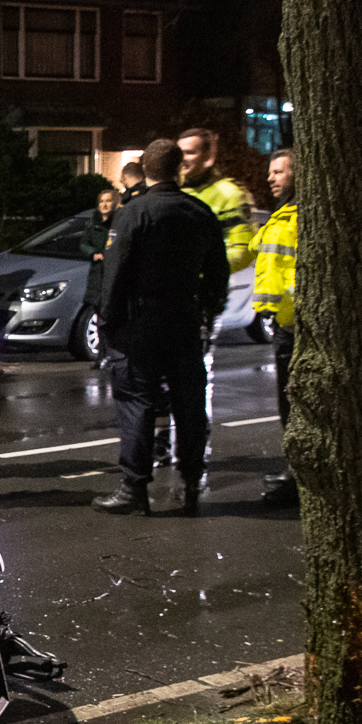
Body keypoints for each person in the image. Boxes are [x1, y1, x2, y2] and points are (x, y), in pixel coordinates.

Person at [91, 139, 230, 516]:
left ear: (147, 170)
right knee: (188, 404)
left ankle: (134, 487)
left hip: (140, 324)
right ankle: (191, 481)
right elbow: (219, 271)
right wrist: (207, 311)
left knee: (137, 402)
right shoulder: (199, 211)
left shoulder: (134, 213)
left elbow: (115, 273)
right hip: (183, 319)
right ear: (178, 170)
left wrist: (108, 322)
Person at [253, 149, 300, 506]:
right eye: (270, 172)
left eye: (279, 172)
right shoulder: (280, 215)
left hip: (296, 326)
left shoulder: (299, 218)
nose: (271, 178)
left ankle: (296, 474)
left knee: (294, 403)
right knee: (287, 402)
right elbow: (255, 248)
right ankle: (294, 469)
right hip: (282, 323)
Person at [177, 128, 258, 272]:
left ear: (208, 157)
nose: (182, 158)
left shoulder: (230, 194)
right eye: (179, 153)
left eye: (190, 152)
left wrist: (201, 269)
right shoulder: (173, 192)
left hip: (207, 289)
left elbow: (243, 250)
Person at [79, 183, 119, 313]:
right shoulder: (93, 224)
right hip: (96, 274)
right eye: (101, 201)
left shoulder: (119, 223)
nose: (104, 204)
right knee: (97, 309)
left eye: (108, 201)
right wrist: (93, 253)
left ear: (115, 203)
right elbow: (84, 243)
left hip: (113, 274)